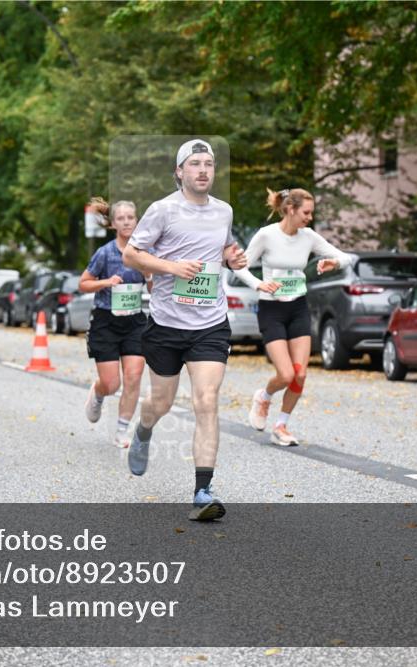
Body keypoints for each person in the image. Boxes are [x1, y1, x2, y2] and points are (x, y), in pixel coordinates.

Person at [121, 139, 247, 521]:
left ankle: (202, 490)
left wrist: (232, 256)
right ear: (179, 172)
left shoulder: (223, 211)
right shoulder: (163, 210)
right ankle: (143, 430)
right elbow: (132, 254)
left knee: (206, 400)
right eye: (195, 163)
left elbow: (223, 248)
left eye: (208, 163)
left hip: (210, 323)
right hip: (166, 324)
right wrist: (171, 268)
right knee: (160, 402)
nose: (203, 170)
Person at [236, 188, 351, 445]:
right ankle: (264, 397)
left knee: (300, 375)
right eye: (306, 212)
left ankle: (281, 426)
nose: (310, 218)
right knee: (286, 374)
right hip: (271, 310)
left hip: (298, 308)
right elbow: (240, 265)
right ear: (290, 209)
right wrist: (258, 285)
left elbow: (345, 256)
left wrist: (335, 263)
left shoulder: (308, 237)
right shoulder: (267, 235)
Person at [80, 196, 149, 449]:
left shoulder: (144, 253)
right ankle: (98, 393)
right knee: (112, 383)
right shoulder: (105, 253)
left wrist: (151, 275)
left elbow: (153, 285)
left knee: (133, 377)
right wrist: (105, 282)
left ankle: (122, 430)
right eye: (121, 218)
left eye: (130, 217)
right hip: (106, 321)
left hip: (134, 321)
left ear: (137, 221)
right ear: (113, 224)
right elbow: (83, 283)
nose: (127, 222)